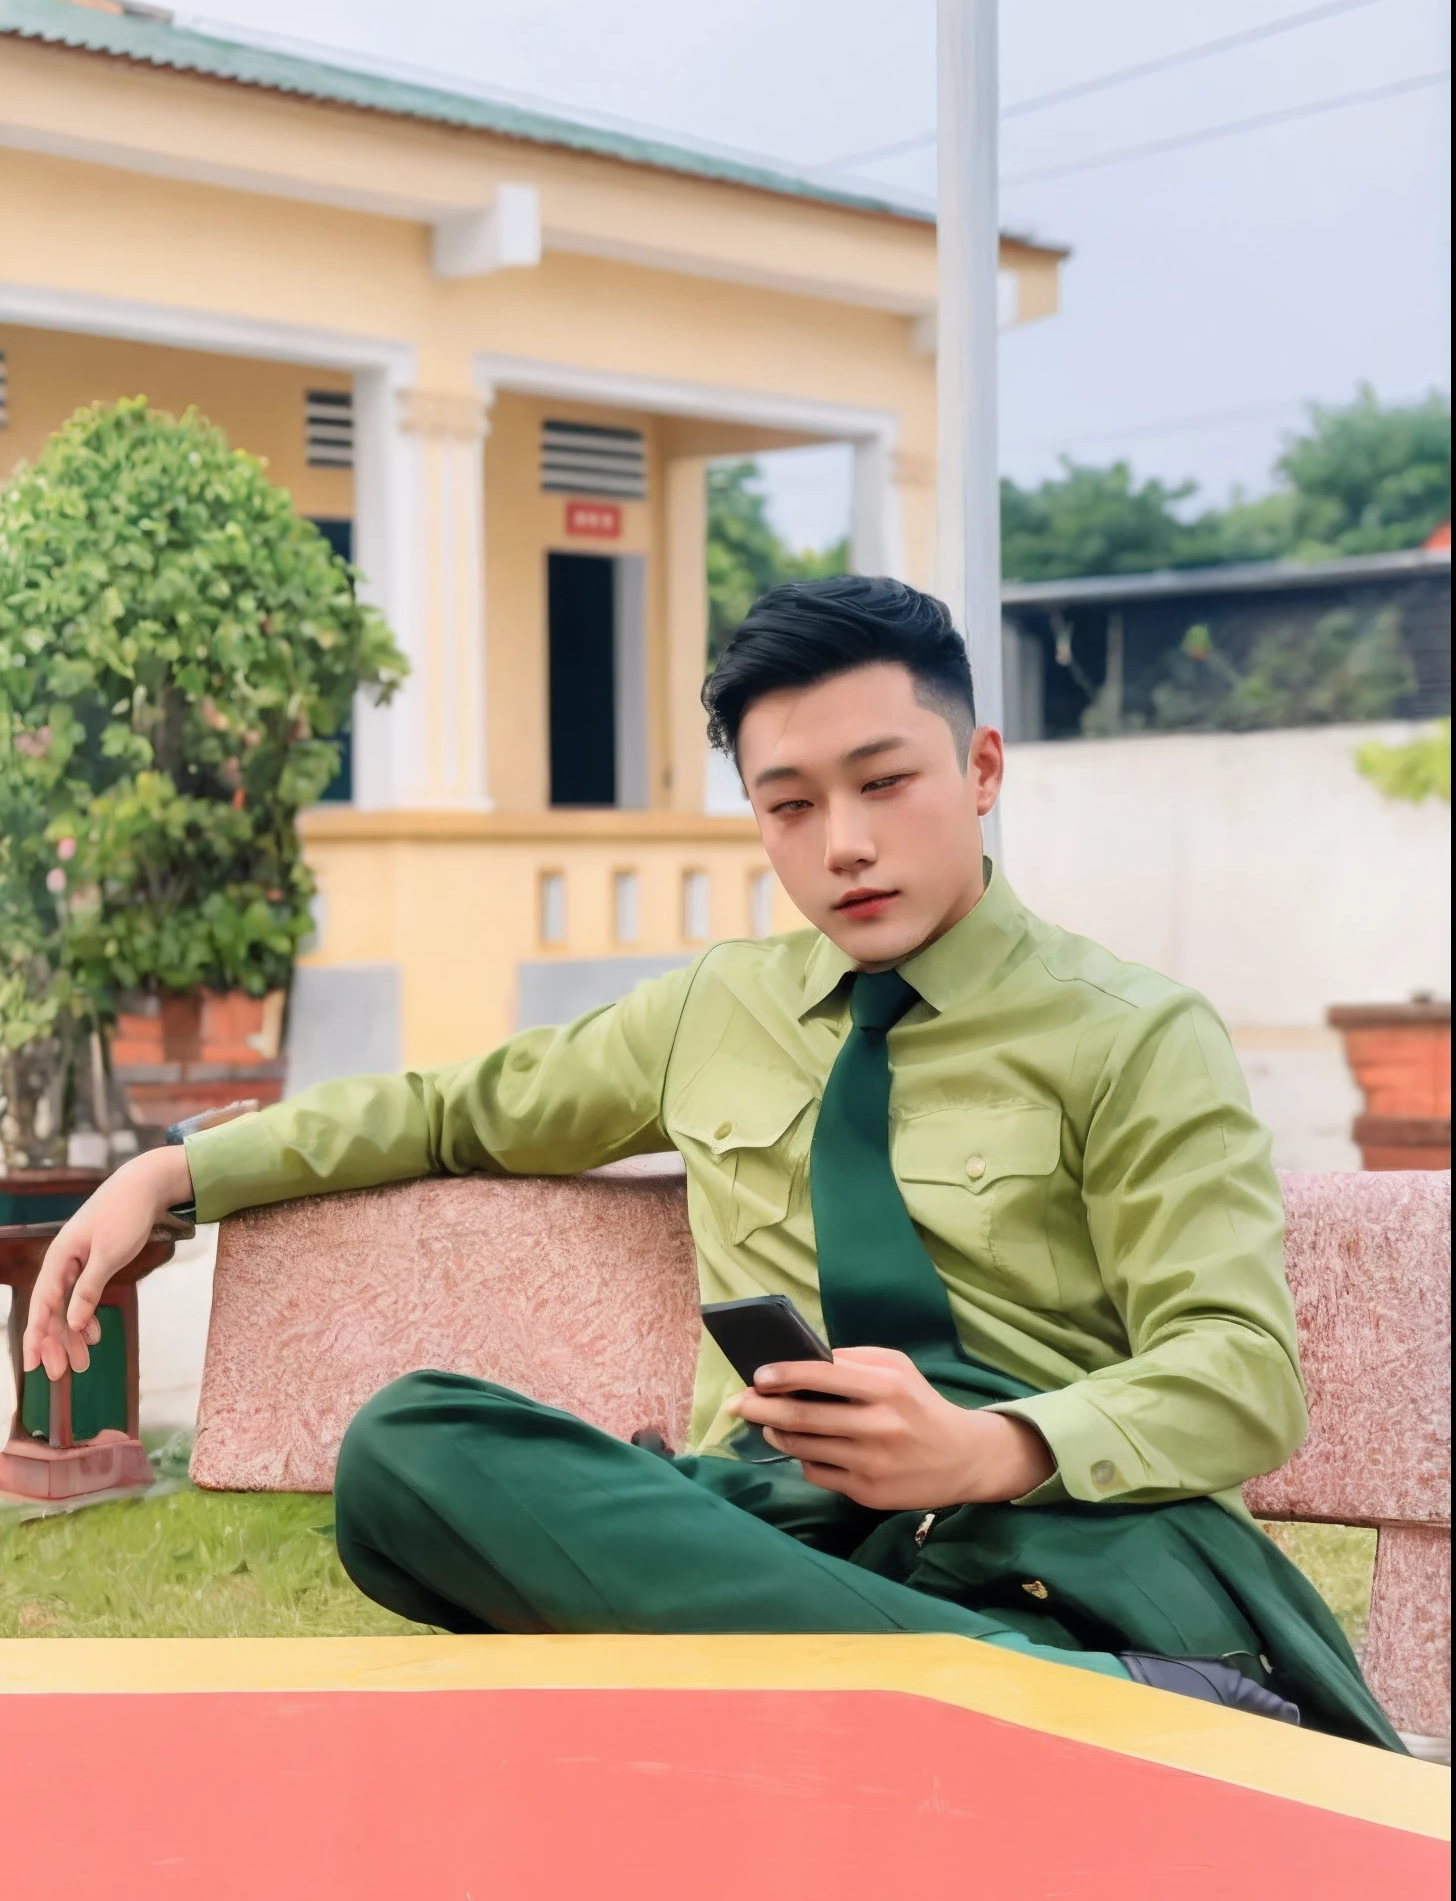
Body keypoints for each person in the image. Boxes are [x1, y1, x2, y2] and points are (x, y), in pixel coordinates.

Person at [24, 577, 1399, 1747]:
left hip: (1043, 1549)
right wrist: (175, 1175)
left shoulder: (1135, 1035)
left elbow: (1242, 1371)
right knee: (407, 1450)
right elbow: (455, 1111)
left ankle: (992, 1678)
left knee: (692, 1594)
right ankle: (1064, 1715)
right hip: (772, 1531)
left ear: (980, 771)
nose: (844, 843)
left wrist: (988, 1445)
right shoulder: (714, 1013)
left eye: (885, 783)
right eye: (789, 805)